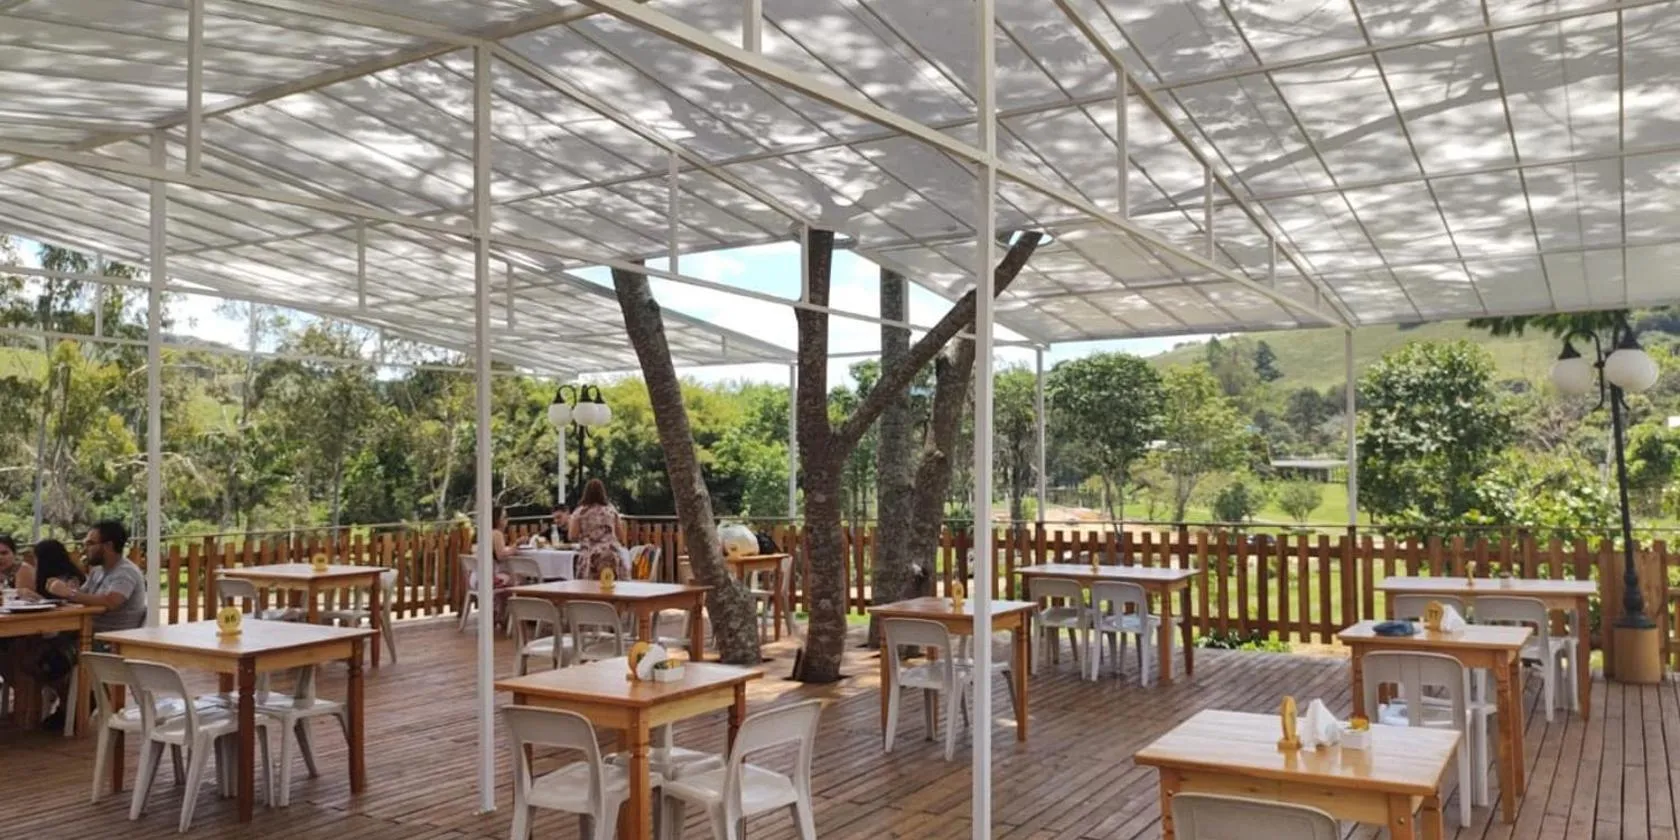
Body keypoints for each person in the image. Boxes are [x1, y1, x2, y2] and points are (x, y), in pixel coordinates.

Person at [51, 520, 147, 634]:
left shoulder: (126, 572)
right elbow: (81, 596)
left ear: (108, 546)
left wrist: (70, 593)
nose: (84, 549)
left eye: (90, 544)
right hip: (88, 632)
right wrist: (65, 588)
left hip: (111, 638)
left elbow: (111, 601)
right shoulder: (97, 571)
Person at [569, 479, 628, 580]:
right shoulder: (611, 511)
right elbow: (621, 536)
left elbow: (572, 536)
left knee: (587, 586)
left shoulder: (580, 512)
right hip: (610, 554)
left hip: (590, 555)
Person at [16, 537, 85, 600]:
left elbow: (70, 602)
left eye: (35, 558)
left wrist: (38, 598)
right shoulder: (45, 578)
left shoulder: (70, 579)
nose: (34, 562)